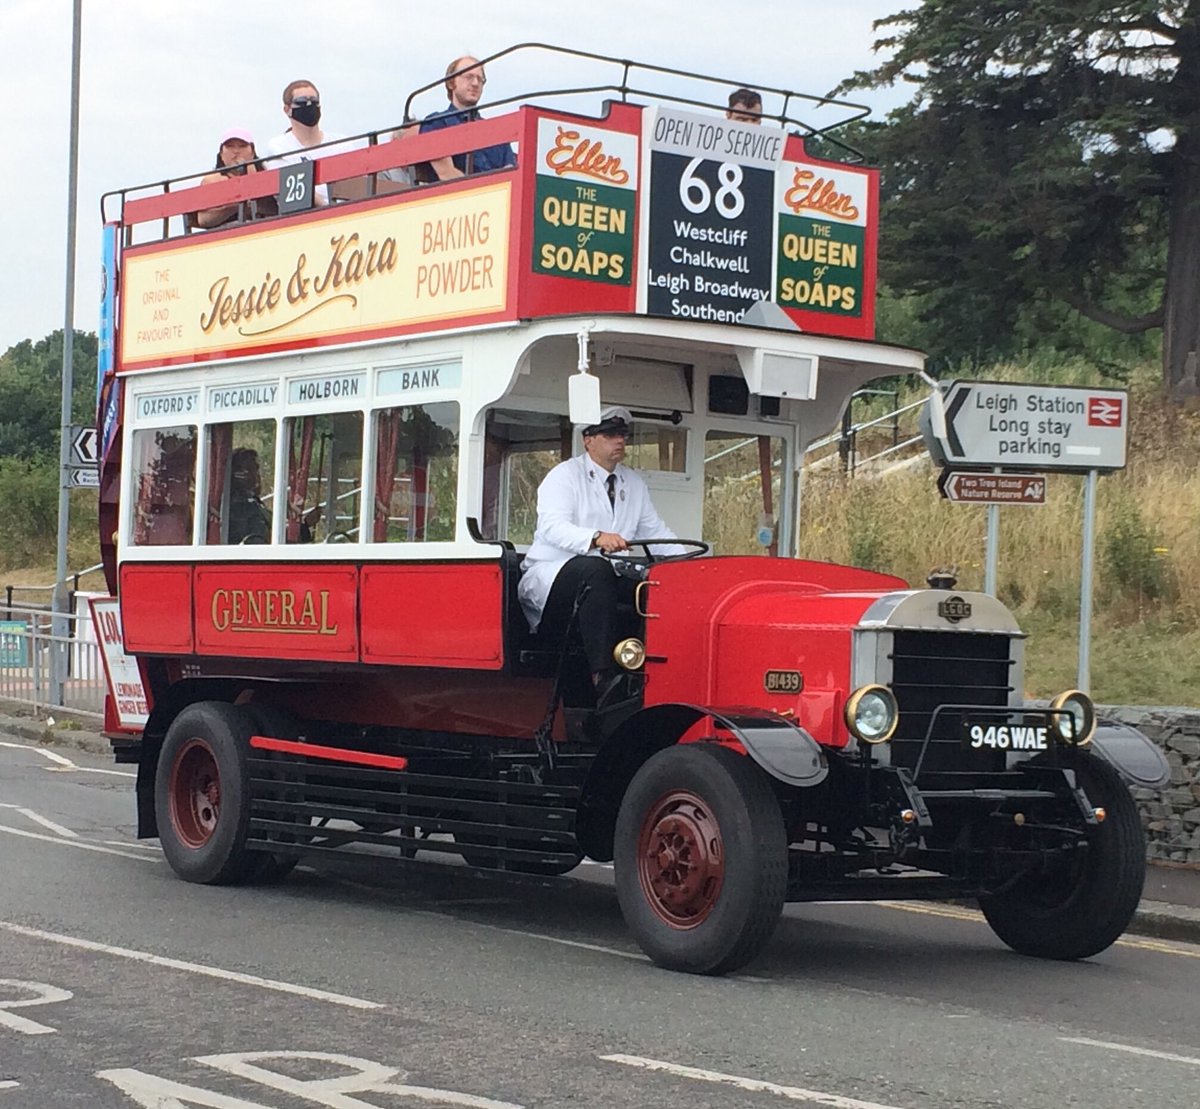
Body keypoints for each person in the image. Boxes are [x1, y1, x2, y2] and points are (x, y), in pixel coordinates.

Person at [518, 406, 683, 700]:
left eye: (622, 435)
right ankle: (602, 676)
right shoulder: (564, 476)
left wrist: (686, 565)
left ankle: (649, 668)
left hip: (603, 577)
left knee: (651, 586)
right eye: (609, 434)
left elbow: (655, 531)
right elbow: (553, 527)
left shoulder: (633, 483)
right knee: (596, 571)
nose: (619, 441)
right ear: (588, 439)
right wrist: (595, 538)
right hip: (554, 576)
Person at [418, 55, 516, 181]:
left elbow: (510, 174)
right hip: (455, 198)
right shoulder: (436, 123)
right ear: (451, 82)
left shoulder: (496, 132)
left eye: (480, 79)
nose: (475, 83)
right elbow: (446, 173)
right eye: (469, 77)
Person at [264, 79, 352, 206]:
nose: (309, 105)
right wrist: (327, 210)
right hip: (309, 216)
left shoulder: (343, 144)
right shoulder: (279, 146)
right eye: (302, 102)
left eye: (314, 101)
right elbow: (295, 192)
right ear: (287, 109)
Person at [192, 129, 277, 230]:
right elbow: (203, 220)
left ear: (252, 151)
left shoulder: (267, 173)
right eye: (230, 146)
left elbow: (278, 208)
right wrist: (235, 207)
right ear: (221, 153)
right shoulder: (212, 181)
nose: (236, 151)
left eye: (242, 146)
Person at [227, 448, 272, 544]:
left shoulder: (254, 502)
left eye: (256, 469)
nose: (255, 475)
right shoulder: (236, 507)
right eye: (249, 469)